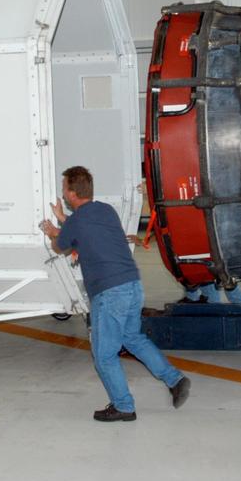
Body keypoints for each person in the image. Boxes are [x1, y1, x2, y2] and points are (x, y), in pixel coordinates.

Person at [41, 165, 190, 422]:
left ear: (73, 193)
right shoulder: (105, 211)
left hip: (110, 293)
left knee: (104, 355)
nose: (63, 193)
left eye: (65, 188)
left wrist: (53, 231)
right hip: (132, 285)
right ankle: (175, 379)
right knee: (133, 338)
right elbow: (86, 230)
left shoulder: (76, 221)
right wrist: (64, 219)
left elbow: (60, 246)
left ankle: (123, 406)